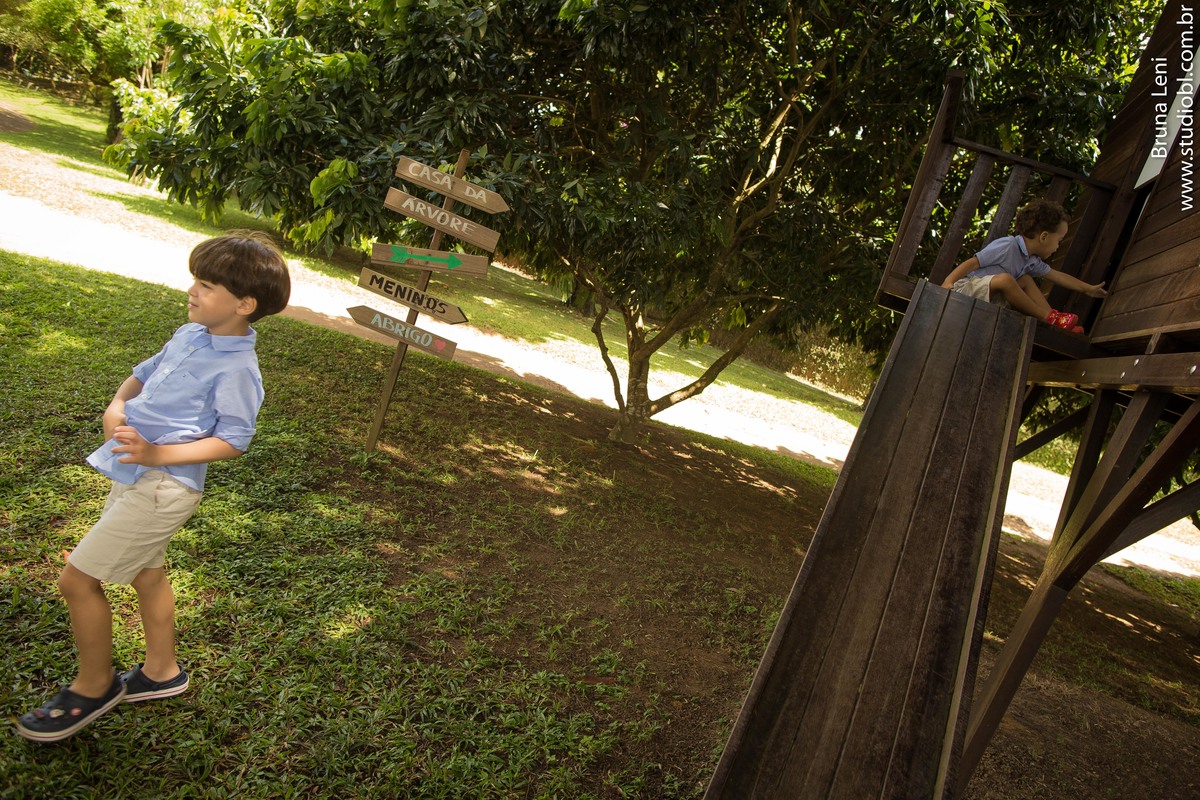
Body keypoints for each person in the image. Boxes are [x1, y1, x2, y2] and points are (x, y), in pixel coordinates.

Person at [16, 231, 290, 743]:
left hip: (164, 485)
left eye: (206, 285)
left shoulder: (238, 368)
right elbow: (142, 374)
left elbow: (233, 440)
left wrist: (157, 453)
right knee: (147, 575)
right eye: (195, 279)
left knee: (76, 582)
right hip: (136, 472)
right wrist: (116, 408)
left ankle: (95, 685)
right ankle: (163, 671)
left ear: (244, 304)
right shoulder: (190, 334)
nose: (192, 291)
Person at [941, 199, 1107, 332]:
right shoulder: (1008, 245)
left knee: (1025, 279)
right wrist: (949, 282)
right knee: (1006, 280)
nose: (1058, 246)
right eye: (1059, 240)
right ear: (1043, 237)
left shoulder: (1031, 260)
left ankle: (1054, 322)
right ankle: (1046, 317)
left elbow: (1058, 276)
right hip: (967, 291)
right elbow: (973, 262)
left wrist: (1087, 289)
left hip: (991, 298)